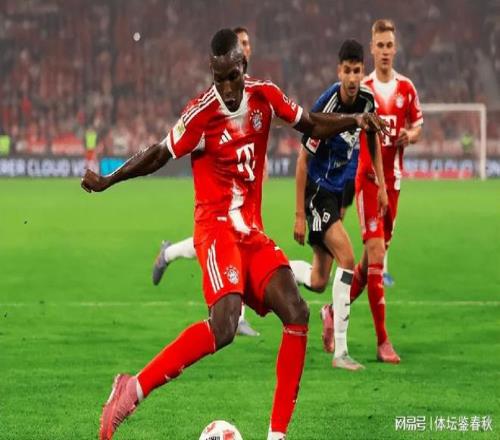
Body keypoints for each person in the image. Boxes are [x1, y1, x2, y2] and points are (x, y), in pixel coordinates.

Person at [82, 29, 387, 440]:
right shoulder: (201, 113)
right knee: (224, 324)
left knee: (297, 311)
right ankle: (131, 389)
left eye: (232, 76)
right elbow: (158, 153)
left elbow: (311, 124)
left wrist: (356, 119)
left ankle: (277, 436)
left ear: (244, 66)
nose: (226, 88)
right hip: (215, 230)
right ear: (212, 72)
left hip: (251, 233)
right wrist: (108, 180)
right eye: (219, 77)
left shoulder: (265, 96)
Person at [152, 26, 260, 337]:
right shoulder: (213, 103)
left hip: (244, 191)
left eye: (248, 43)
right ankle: (230, 313)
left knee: (241, 242)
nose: (246, 47)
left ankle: (168, 254)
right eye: (241, 43)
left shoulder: (256, 93)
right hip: (217, 198)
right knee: (219, 242)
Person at [290, 40, 387, 371]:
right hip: (317, 193)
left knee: (318, 280)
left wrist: (381, 185)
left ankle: (275, 271)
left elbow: (372, 139)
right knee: (347, 258)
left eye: (357, 71)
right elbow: (302, 161)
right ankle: (341, 353)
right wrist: (299, 215)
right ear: (339, 71)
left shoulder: (367, 101)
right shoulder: (327, 105)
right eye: (347, 71)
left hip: (336, 193)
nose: (352, 77)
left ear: (362, 71)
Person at [349, 19, 423, 363]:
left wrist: (411, 135)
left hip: (393, 184)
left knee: (370, 263)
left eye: (389, 45)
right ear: (372, 48)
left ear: (395, 48)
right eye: (379, 45)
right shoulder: (362, 90)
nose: (384, 51)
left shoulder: (406, 88)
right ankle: (383, 341)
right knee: (377, 254)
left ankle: (333, 311)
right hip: (368, 181)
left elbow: (418, 124)